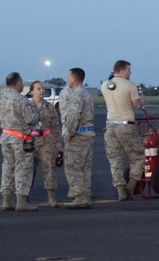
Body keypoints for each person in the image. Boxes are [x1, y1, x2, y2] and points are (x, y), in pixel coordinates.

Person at [100, 59, 145, 201]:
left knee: (115, 159)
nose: (130, 72)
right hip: (125, 125)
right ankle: (131, 186)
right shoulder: (130, 85)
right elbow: (137, 105)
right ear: (122, 70)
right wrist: (142, 96)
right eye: (129, 70)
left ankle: (120, 190)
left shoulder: (104, 85)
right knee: (138, 156)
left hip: (110, 126)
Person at [0, 71, 40, 212]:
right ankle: (21, 201)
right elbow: (31, 118)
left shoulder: (0, 99)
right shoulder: (21, 100)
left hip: (6, 137)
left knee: (8, 168)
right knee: (23, 168)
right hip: (20, 138)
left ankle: (6, 201)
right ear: (17, 83)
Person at [58, 67, 95, 209]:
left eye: (69, 77)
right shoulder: (86, 94)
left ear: (73, 79)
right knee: (85, 167)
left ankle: (80, 195)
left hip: (78, 135)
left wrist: (69, 133)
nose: (68, 80)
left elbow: (74, 117)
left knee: (72, 167)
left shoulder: (77, 95)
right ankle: (85, 194)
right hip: (88, 134)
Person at [28, 80, 63, 208]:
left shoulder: (50, 107)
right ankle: (24, 197)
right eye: (38, 89)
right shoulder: (27, 106)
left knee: (49, 169)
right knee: (29, 170)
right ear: (32, 91)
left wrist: (57, 143)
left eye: (42, 88)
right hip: (31, 141)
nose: (41, 90)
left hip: (46, 141)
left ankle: (52, 197)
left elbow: (55, 126)